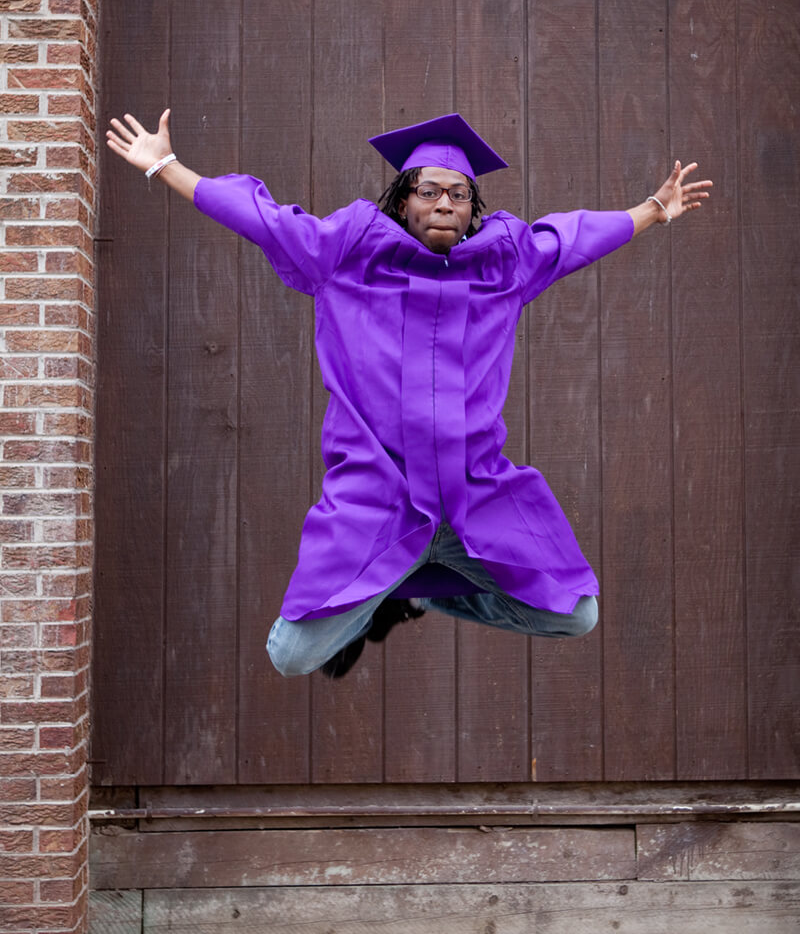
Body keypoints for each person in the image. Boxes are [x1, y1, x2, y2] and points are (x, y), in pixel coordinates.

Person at [106, 110, 712, 679]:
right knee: (290, 656)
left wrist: (655, 208)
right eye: (427, 191)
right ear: (402, 200)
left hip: (475, 497)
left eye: (458, 193)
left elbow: (577, 238)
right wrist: (166, 165)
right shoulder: (347, 252)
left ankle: (421, 592)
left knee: (576, 615)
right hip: (378, 501)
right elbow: (261, 217)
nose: (443, 203)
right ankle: (388, 589)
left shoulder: (506, 263)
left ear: (474, 208)